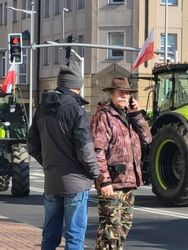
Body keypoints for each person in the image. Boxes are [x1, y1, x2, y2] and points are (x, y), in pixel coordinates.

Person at [27, 59, 100, 250]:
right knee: (74, 237)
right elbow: (85, 149)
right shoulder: (77, 110)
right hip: (75, 182)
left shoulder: (42, 108)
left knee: (50, 235)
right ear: (77, 86)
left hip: (51, 181)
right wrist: (95, 172)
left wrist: (49, 164)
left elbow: (32, 145)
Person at [90, 77, 152, 250]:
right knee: (111, 230)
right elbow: (97, 151)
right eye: (121, 93)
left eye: (127, 93)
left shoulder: (129, 116)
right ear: (112, 94)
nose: (125, 96)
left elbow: (147, 138)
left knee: (123, 227)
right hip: (112, 183)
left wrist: (137, 114)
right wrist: (104, 181)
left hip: (129, 181)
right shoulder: (104, 116)